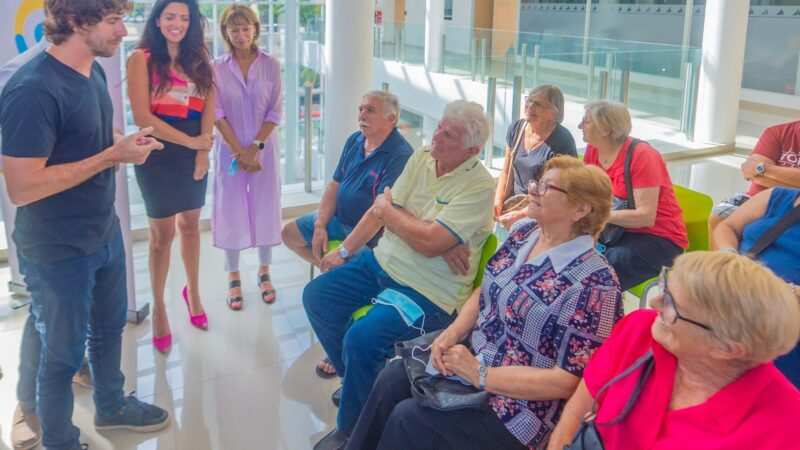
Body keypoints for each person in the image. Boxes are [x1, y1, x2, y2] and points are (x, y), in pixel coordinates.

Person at [346, 156, 623, 450]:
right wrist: (451, 334)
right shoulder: (525, 233)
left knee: (409, 419)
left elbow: (570, 381)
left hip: (521, 406)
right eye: (537, 183)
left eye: (547, 187)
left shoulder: (596, 284)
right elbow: (484, 290)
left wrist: (481, 375)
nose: (533, 190)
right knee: (392, 379)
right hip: (474, 359)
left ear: (580, 209)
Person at [0, 0, 171, 447]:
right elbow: (22, 186)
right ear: (76, 21)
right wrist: (112, 156)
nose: (123, 32)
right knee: (61, 355)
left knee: (109, 328)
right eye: (113, 21)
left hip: (102, 230)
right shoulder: (31, 90)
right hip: (56, 249)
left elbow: (91, 137)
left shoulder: (91, 70)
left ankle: (111, 407)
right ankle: (59, 440)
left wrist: (123, 143)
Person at [304, 100, 496, 450]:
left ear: (472, 150)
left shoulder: (480, 186)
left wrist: (401, 217)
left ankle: (352, 432)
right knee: (317, 296)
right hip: (382, 262)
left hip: (427, 290)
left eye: (449, 135)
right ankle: (358, 382)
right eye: (439, 126)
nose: (437, 135)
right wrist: (346, 250)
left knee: (361, 339)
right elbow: (387, 215)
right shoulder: (423, 156)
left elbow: (426, 241)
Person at [547, 252, 800, 450]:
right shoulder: (640, 331)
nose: (654, 302)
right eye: (665, 288)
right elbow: (576, 412)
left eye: (671, 305)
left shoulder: (786, 428)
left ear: (725, 348)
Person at [0, 37, 94, 450]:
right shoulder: (24, 74)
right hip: (44, 221)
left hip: (83, 217)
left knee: (70, 309)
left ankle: (76, 364)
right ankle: (26, 405)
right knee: (44, 313)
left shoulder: (89, 64)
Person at [282, 90, 413, 377]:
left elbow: (377, 215)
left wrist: (343, 252)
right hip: (338, 220)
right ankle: (333, 271)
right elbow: (334, 185)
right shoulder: (355, 140)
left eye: (370, 110)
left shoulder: (400, 155)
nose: (361, 114)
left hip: (370, 239)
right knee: (289, 233)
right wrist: (320, 224)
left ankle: (339, 342)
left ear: (391, 119)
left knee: (334, 288)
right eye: (361, 108)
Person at [127, 0, 215, 353]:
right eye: (170, 17)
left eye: (184, 18)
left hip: (194, 151)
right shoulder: (141, 59)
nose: (177, 23)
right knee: (160, 236)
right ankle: (160, 306)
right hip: (157, 154)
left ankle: (193, 293)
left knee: (191, 226)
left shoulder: (200, 57)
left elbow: (210, 106)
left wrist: (202, 152)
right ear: (157, 20)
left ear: (192, 22)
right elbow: (142, 117)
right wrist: (191, 143)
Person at [212, 4, 283, 310]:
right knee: (231, 210)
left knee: (266, 207)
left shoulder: (271, 65)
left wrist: (254, 148)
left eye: (245, 28)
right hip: (229, 152)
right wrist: (239, 152)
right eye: (234, 29)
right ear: (225, 33)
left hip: (264, 150)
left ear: (255, 30)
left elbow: (275, 111)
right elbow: (216, 113)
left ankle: (265, 271)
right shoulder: (216, 68)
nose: (240, 35)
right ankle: (233, 274)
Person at [581, 101, 687, 290]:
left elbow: (645, 216)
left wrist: (599, 215)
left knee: (598, 272)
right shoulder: (593, 150)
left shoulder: (642, 155)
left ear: (605, 129)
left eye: (586, 121)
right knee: (572, 256)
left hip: (657, 238)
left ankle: (598, 307)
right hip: (614, 231)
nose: (580, 125)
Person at [713, 186, 800, 387]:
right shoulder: (777, 197)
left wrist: (782, 291)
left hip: (782, 319)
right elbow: (727, 227)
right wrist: (730, 256)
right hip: (735, 294)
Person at [493, 85, 576, 232]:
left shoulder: (563, 141)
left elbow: (557, 191)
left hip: (541, 215)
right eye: (529, 100)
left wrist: (522, 214)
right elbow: (506, 171)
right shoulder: (516, 128)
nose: (530, 106)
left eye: (537, 104)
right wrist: (498, 203)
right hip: (513, 207)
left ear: (554, 112)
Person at [709, 120, 800, 246]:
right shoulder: (777, 132)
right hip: (754, 200)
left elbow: (757, 170)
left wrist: (765, 169)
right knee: (719, 216)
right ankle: (725, 258)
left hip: (794, 205)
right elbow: (750, 172)